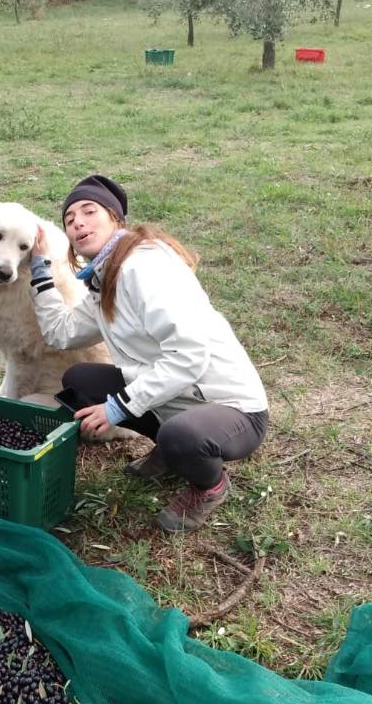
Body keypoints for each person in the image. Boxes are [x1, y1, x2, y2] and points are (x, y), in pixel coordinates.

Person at [30, 175, 268, 533]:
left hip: (233, 408)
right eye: (69, 219)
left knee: (182, 437)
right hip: (177, 398)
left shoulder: (144, 268)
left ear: (116, 219)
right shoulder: (104, 280)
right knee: (80, 380)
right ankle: (170, 449)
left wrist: (117, 408)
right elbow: (61, 333)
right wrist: (40, 273)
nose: (78, 222)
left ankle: (210, 486)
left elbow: (189, 356)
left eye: (89, 211)